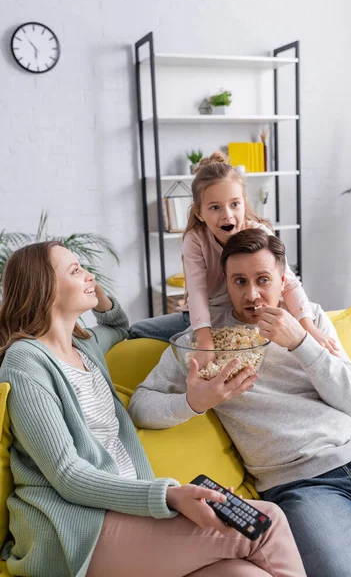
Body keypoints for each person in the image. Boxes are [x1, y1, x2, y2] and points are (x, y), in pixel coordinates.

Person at [0, 241, 306, 577]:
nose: (89, 275)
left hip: (130, 516)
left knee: (245, 574)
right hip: (73, 532)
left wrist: (94, 292)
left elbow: (118, 326)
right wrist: (170, 495)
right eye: (75, 270)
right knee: (268, 522)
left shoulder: (84, 346)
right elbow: (67, 475)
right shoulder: (25, 361)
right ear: (43, 288)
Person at [130, 228, 351, 577]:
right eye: (239, 281)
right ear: (225, 283)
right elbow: (139, 405)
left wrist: (302, 342)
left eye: (263, 279)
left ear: (283, 279)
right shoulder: (202, 346)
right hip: (305, 488)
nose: (252, 294)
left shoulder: (310, 321)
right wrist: (194, 402)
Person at [129, 151, 339, 355]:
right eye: (215, 207)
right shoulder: (195, 240)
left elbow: (289, 283)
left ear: (244, 204)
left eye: (234, 204)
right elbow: (197, 293)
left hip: (250, 310)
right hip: (210, 315)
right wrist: (205, 342)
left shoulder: (259, 233)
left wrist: (309, 329)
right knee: (137, 330)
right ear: (199, 213)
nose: (227, 215)